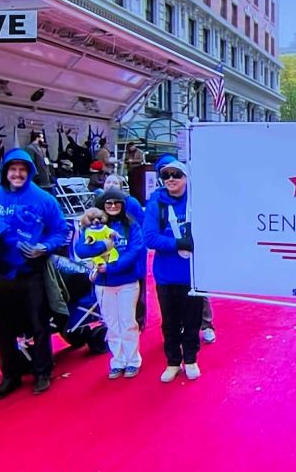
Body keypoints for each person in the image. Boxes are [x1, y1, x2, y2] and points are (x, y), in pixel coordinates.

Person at [0, 149, 69, 398]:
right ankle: (11, 374)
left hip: (31, 272)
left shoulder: (44, 199)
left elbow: (61, 231)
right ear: (5, 172)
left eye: (22, 170)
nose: (17, 174)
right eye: (13, 169)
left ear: (29, 172)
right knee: (1, 328)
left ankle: (42, 371)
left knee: (38, 324)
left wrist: (45, 247)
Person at [144, 158, 203, 382]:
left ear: (186, 177)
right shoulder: (156, 204)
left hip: (195, 275)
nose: (170, 179)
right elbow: (149, 237)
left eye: (176, 174)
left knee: (192, 320)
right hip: (167, 275)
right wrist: (176, 244)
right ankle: (172, 361)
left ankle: (190, 359)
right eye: (165, 175)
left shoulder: (197, 201)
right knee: (170, 322)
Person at [75, 189, 144, 379]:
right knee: (111, 323)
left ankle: (132, 359)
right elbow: (81, 250)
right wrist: (103, 247)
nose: (113, 206)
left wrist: (111, 267)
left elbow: (134, 251)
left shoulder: (131, 225)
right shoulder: (91, 227)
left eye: (117, 203)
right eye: (108, 203)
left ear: (123, 204)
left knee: (128, 322)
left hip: (127, 281)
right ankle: (117, 360)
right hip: (103, 284)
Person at [100, 173, 147, 330]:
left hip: (132, 253)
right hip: (108, 259)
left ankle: (139, 320)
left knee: (137, 288)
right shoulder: (99, 204)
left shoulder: (130, 202)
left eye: (115, 182)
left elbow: (140, 225)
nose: (111, 185)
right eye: (108, 182)